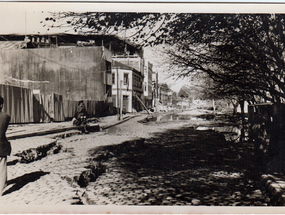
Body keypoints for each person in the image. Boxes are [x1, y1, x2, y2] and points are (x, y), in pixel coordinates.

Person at [0, 96, 11, 196]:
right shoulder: (6, 116)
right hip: (2, 145)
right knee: (2, 168)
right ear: (1, 105)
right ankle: (1, 190)